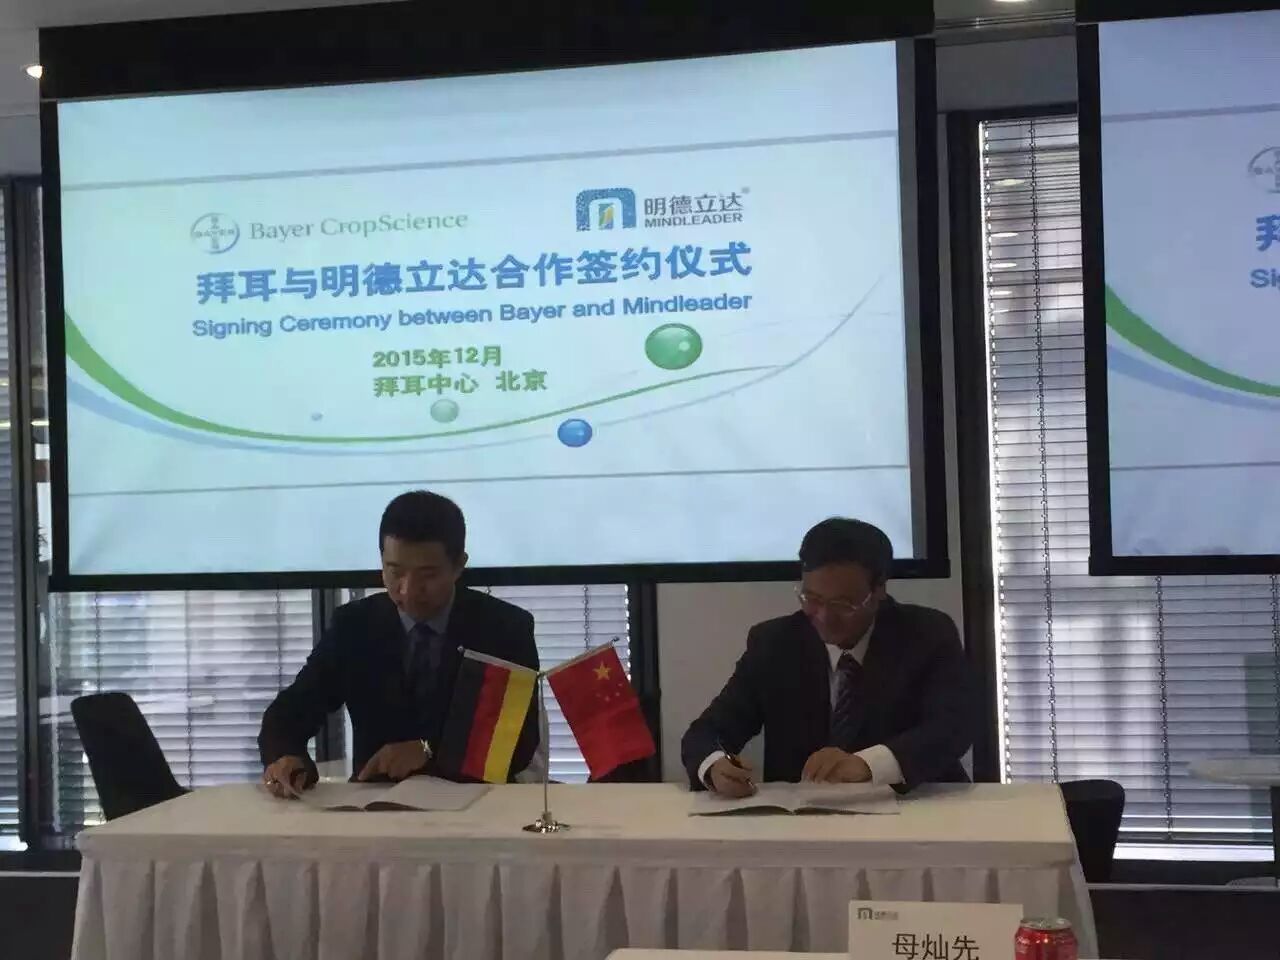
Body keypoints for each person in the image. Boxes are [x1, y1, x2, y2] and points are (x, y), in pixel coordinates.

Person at [259, 491, 539, 797]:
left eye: (427, 575)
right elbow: (288, 713)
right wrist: (287, 757)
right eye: (395, 572)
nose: (408, 590)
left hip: (475, 802)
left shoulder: (504, 628)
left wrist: (429, 750)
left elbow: (518, 743)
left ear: (459, 565)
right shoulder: (354, 626)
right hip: (377, 806)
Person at [682, 518, 972, 796]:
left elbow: (953, 727)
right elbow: (706, 732)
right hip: (805, 816)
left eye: (843, 604)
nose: (823, 616)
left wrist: (868, 764)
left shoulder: (926, 633)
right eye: (812, 599)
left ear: (879, 589)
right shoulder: (774, 643)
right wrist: (714, 767)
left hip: (915, 809)